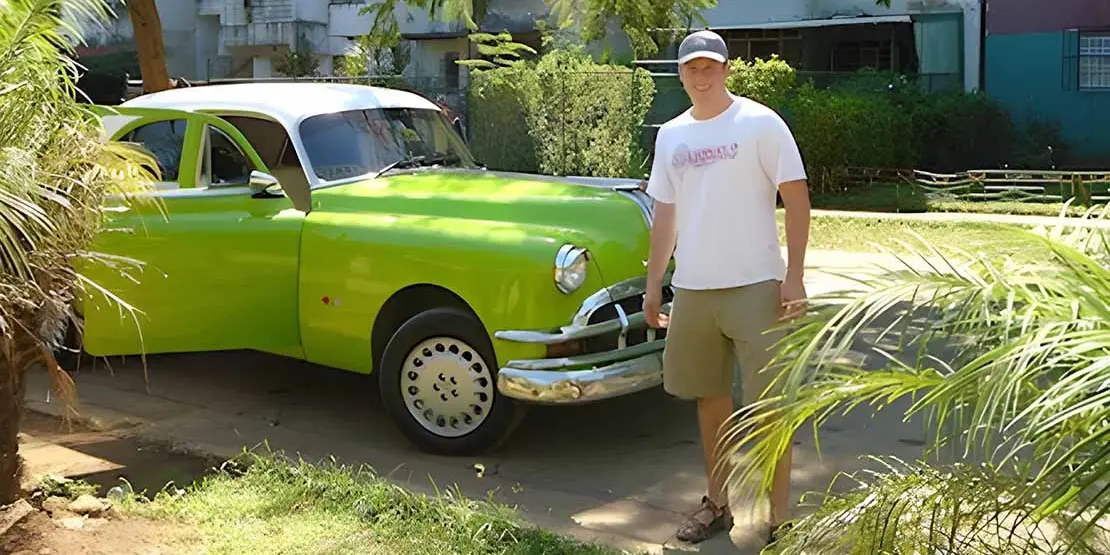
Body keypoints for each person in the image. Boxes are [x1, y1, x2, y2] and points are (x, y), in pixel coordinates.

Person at [641, 29, 811, 545]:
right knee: (709, 400)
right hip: (694, 289)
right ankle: (718, 504)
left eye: (710, 66)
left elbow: (797, 198)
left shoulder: (760, 122)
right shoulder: (671, 135)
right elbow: (665, 214)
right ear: (680, 74)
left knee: (771, 406)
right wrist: (654, 285)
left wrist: (795, 276)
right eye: (692, 67)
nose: (701, 75)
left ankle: (780, 517)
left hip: (756, 285)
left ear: (726, 69)